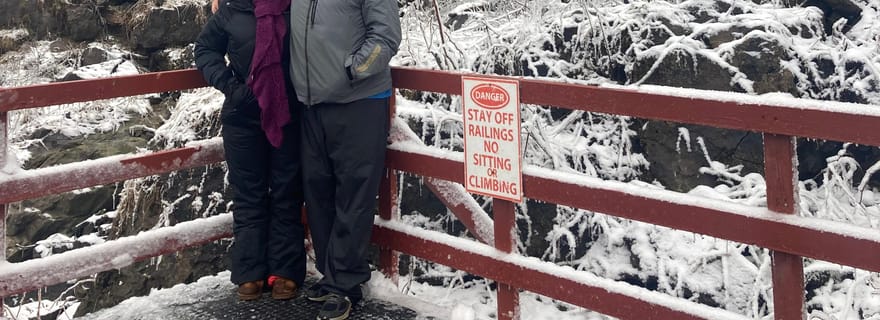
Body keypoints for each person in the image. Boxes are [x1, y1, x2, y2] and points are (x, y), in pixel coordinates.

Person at [288, 0, 401, 318]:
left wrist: (351, 71)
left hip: (359, 100)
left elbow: (386, 36)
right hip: (312, 103)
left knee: (354, 193)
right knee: (318, 191)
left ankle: (346, 283)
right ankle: (332, 275)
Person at [194, 0, 306, 301]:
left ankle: (285, 270)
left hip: (289, 115)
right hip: (243, 117)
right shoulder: (232, 10)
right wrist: (231, 87)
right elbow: (204, 50)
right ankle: (250, 271)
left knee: (287, 191)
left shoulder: (296, 7)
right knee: (248, 193)